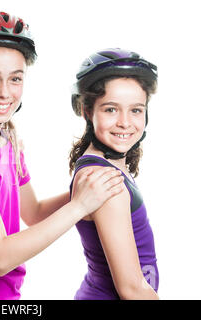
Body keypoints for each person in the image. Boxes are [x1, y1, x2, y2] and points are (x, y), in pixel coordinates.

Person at [0, 12, 126, 300]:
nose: (4, 93)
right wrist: (79, 206)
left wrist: (89, 187)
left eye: (15, 79)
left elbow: (33, 212)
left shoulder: (6, 139)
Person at [69, 48, 159, 300]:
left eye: (136, 110)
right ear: (87, 110)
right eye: (111, 109)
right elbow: (131, 288)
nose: (125, 122)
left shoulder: (104, 166)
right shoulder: (106, 181)